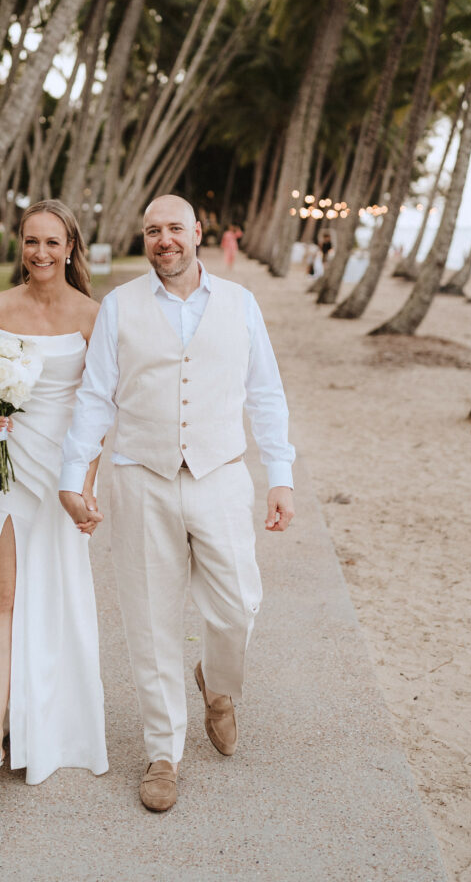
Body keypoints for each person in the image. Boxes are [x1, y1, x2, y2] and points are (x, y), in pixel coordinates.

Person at [59, 194, 295, 812]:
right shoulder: (119, 307)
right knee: (150, 620)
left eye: (174, 229)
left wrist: (281, 475)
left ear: (198, 232)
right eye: (152, 231)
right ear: (146, 239)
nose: (164, 239)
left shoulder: (241, 305)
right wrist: (72, 475)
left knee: (240, 603)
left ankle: (218, 686)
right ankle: (164, 753)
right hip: (141, 476)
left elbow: (265, 393)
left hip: (219, 474)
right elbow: (95, 399)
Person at [0, 200, 108, 790]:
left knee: (59, 586)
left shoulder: (94, 316)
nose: (40, 253)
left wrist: (84, 487)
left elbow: (97, 415)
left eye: (51, 242)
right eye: (30, 241)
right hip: (8, 464)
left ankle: (50, 710)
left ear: (70, 248)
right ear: (21, 245)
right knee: (5, 594)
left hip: (62, 469)